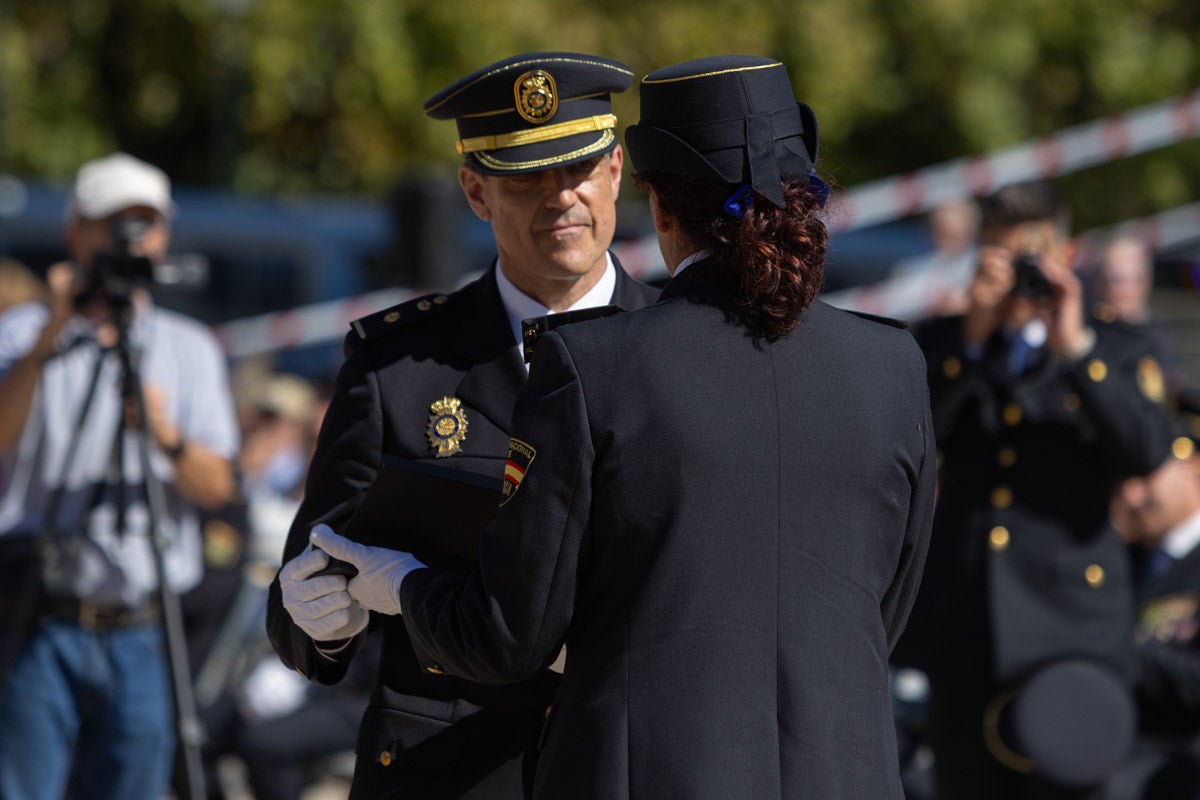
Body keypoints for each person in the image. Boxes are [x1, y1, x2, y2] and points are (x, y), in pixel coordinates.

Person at [309, 54, 937, 799]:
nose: (560, 197)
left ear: (646, 196)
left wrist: (405, 583)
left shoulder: (595, 364)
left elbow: (511, 633)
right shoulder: (893, 362)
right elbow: (886, 606)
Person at [267, 52, 659, 799]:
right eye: (527, 178)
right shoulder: (400, 369)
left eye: (576, 169)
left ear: (615, 170)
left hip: (628, 757)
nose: (560, 198)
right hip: (448, 770)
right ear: (476, 192)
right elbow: (304, 590)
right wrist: (318, 614)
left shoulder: (682, 352)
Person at [893, 180, 1178, 799]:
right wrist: (970, 336)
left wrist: (1075, 346)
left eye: (1031, 258)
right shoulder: (943, 343)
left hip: (1070, 628)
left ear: (1067, 255)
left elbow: (1148, 452)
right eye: (1000, 257)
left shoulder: (1115, 348)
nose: (1019, 276)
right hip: (965, 628)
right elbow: (911, 442)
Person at [0, 152, 239, 799]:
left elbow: (218, 489)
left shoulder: (188, 347)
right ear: (78, 232)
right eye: (115, 226)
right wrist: (55, 324)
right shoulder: (22, 334)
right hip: (39, 620)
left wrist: (165, 436)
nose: (133, 243)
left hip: (141, 630)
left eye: (146, 226)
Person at [1104, 434, 1200, 800]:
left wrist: (1119, 650)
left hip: (1174, 762)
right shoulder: (1125, 560)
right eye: (1122, 482)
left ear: (1191, 465)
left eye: (1144, 476)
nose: (1131, 495)